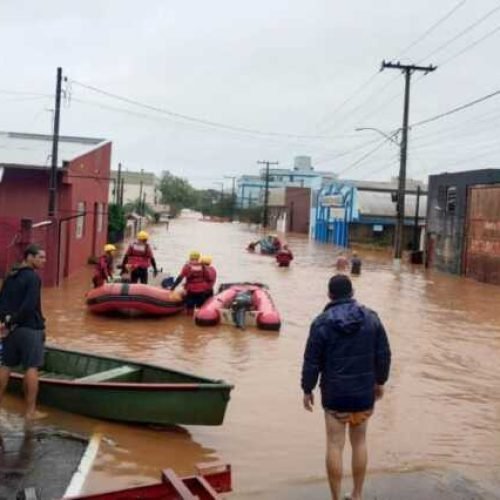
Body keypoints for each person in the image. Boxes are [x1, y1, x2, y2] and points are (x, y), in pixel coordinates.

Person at [301, 274, 391, 500]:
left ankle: (335, 497)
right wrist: (380, 382)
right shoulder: (372, 318)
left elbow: (312, 361)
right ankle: (357, 494)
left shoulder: (321, 323)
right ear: (352, 293)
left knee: (334, 445)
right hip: (363, 393)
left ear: (329, 294)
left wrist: (307, 389)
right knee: (360, 442)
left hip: (335, 395)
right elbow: (384, 355)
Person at [0, 244, 47, 421]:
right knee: (31, 367)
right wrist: (15, 321)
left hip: (11, 329)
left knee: (5, 365)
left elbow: (1, 302)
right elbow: (29, 306)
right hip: (29, 328)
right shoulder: (33, 278)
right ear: (29, 257)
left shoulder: (10, 275)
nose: (44, 261)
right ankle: (30, 412)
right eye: (40, 257)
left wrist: (7, 322)